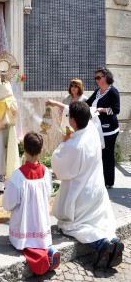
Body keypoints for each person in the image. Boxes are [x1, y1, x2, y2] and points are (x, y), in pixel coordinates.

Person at [51, 101, 124, 269]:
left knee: (71, 226)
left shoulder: (74, 146)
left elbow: (61, 169)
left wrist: (63, 142)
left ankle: (103, 244)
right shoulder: (92, 130)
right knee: (100, 222)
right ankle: (113, 241)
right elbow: (83, 111)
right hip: (97, 194)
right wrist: (57, 105)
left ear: (74, 121)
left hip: (80, 198)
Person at [3, 132, 60, 274]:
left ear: (24, 149)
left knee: (26, 244)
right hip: (41, 224)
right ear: (41, 151)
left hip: (23, 226)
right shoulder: (46, 172)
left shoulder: (18, 175)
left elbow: (8, 203)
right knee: (39, 242)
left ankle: (43, 258)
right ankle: (48, 250)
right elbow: (48, 194)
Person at [86, 68, 120, 188]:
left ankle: (109, 182)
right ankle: (100, 179)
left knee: (108, 155)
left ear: (106, 77)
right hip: (97, 128)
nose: (96, 80)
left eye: (98, 77)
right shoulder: (98, 91)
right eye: (95, 78)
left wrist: (102, 110)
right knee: (98, 155)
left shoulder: (113, 92)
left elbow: (116, 110)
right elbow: (88, 103)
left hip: (109, 130)